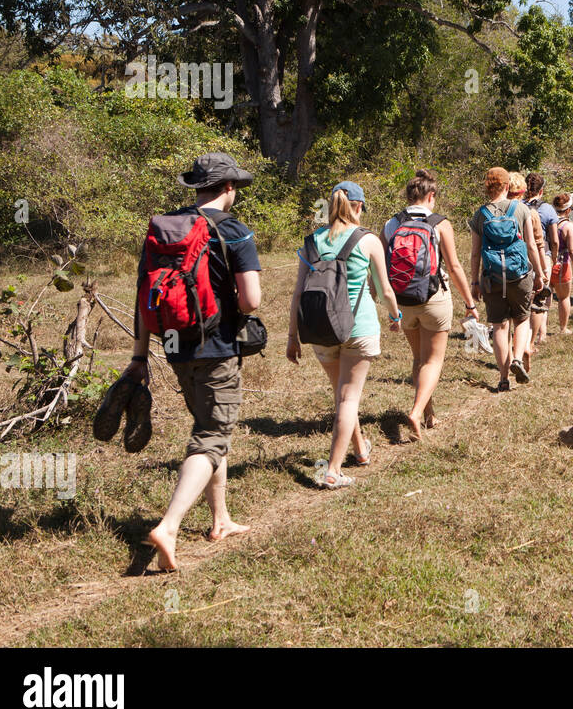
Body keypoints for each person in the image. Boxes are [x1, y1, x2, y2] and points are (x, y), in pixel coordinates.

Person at [130, 153, 262, 572]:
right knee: (212, 434)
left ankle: (220, 519)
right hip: (217, 348)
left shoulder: (165, 230)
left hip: (174, 347)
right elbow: (251, 299)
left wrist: (138, 357)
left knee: (208, 425)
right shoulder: (235, 231)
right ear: (229, 188)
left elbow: (143, 299)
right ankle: (168, 526)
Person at [287, 181, 400, 489]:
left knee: (342, 395)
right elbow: (385, 289)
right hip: (358, 327)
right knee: (348, 397)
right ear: (359, 206)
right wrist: (395, 315)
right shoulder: (367, 240)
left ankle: (361, 449)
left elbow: (297, 294)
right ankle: (333, 470)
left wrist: (292, 336)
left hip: (319, 328)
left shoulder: (311, 242)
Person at [382, 169, 479, 439]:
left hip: (402, 301)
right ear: (431, 196)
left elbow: (380, 269)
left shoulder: (391, 224)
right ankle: (416, 412)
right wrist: (469, 303)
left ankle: (429, 414)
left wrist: (390, 309)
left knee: (418, 358)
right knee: (433, 361)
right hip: (434, 299)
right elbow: (455, 266)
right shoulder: (440, 223)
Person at [469, 167, 547, 391]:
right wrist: (540, 274)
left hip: (492, 276)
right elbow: (531, 246)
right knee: (522, 319)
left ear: (487, 187)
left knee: (499, 327)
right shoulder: (520, 209)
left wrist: (474, 282)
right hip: (519, 274)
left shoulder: (480, 214)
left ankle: (503, 379)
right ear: (506, 186)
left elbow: (475, 253)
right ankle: (518, 359)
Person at [524, 172, 558, 350]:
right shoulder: (548, 209)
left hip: (522, 255)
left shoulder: (518, 206)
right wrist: (554, 256)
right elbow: (554, 240)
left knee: (528, 294)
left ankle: (526, 331)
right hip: (542, 253)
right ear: (542, 190)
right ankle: (541, 333)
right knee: (543, 294)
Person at [549, 193, 573, 333]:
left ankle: (541, 331)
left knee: (545, 297)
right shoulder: (568, 226)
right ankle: (563, 328)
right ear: (569, 210)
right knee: (563, 297)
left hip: (546, 263)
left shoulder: (548, 221)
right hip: (562, 265)